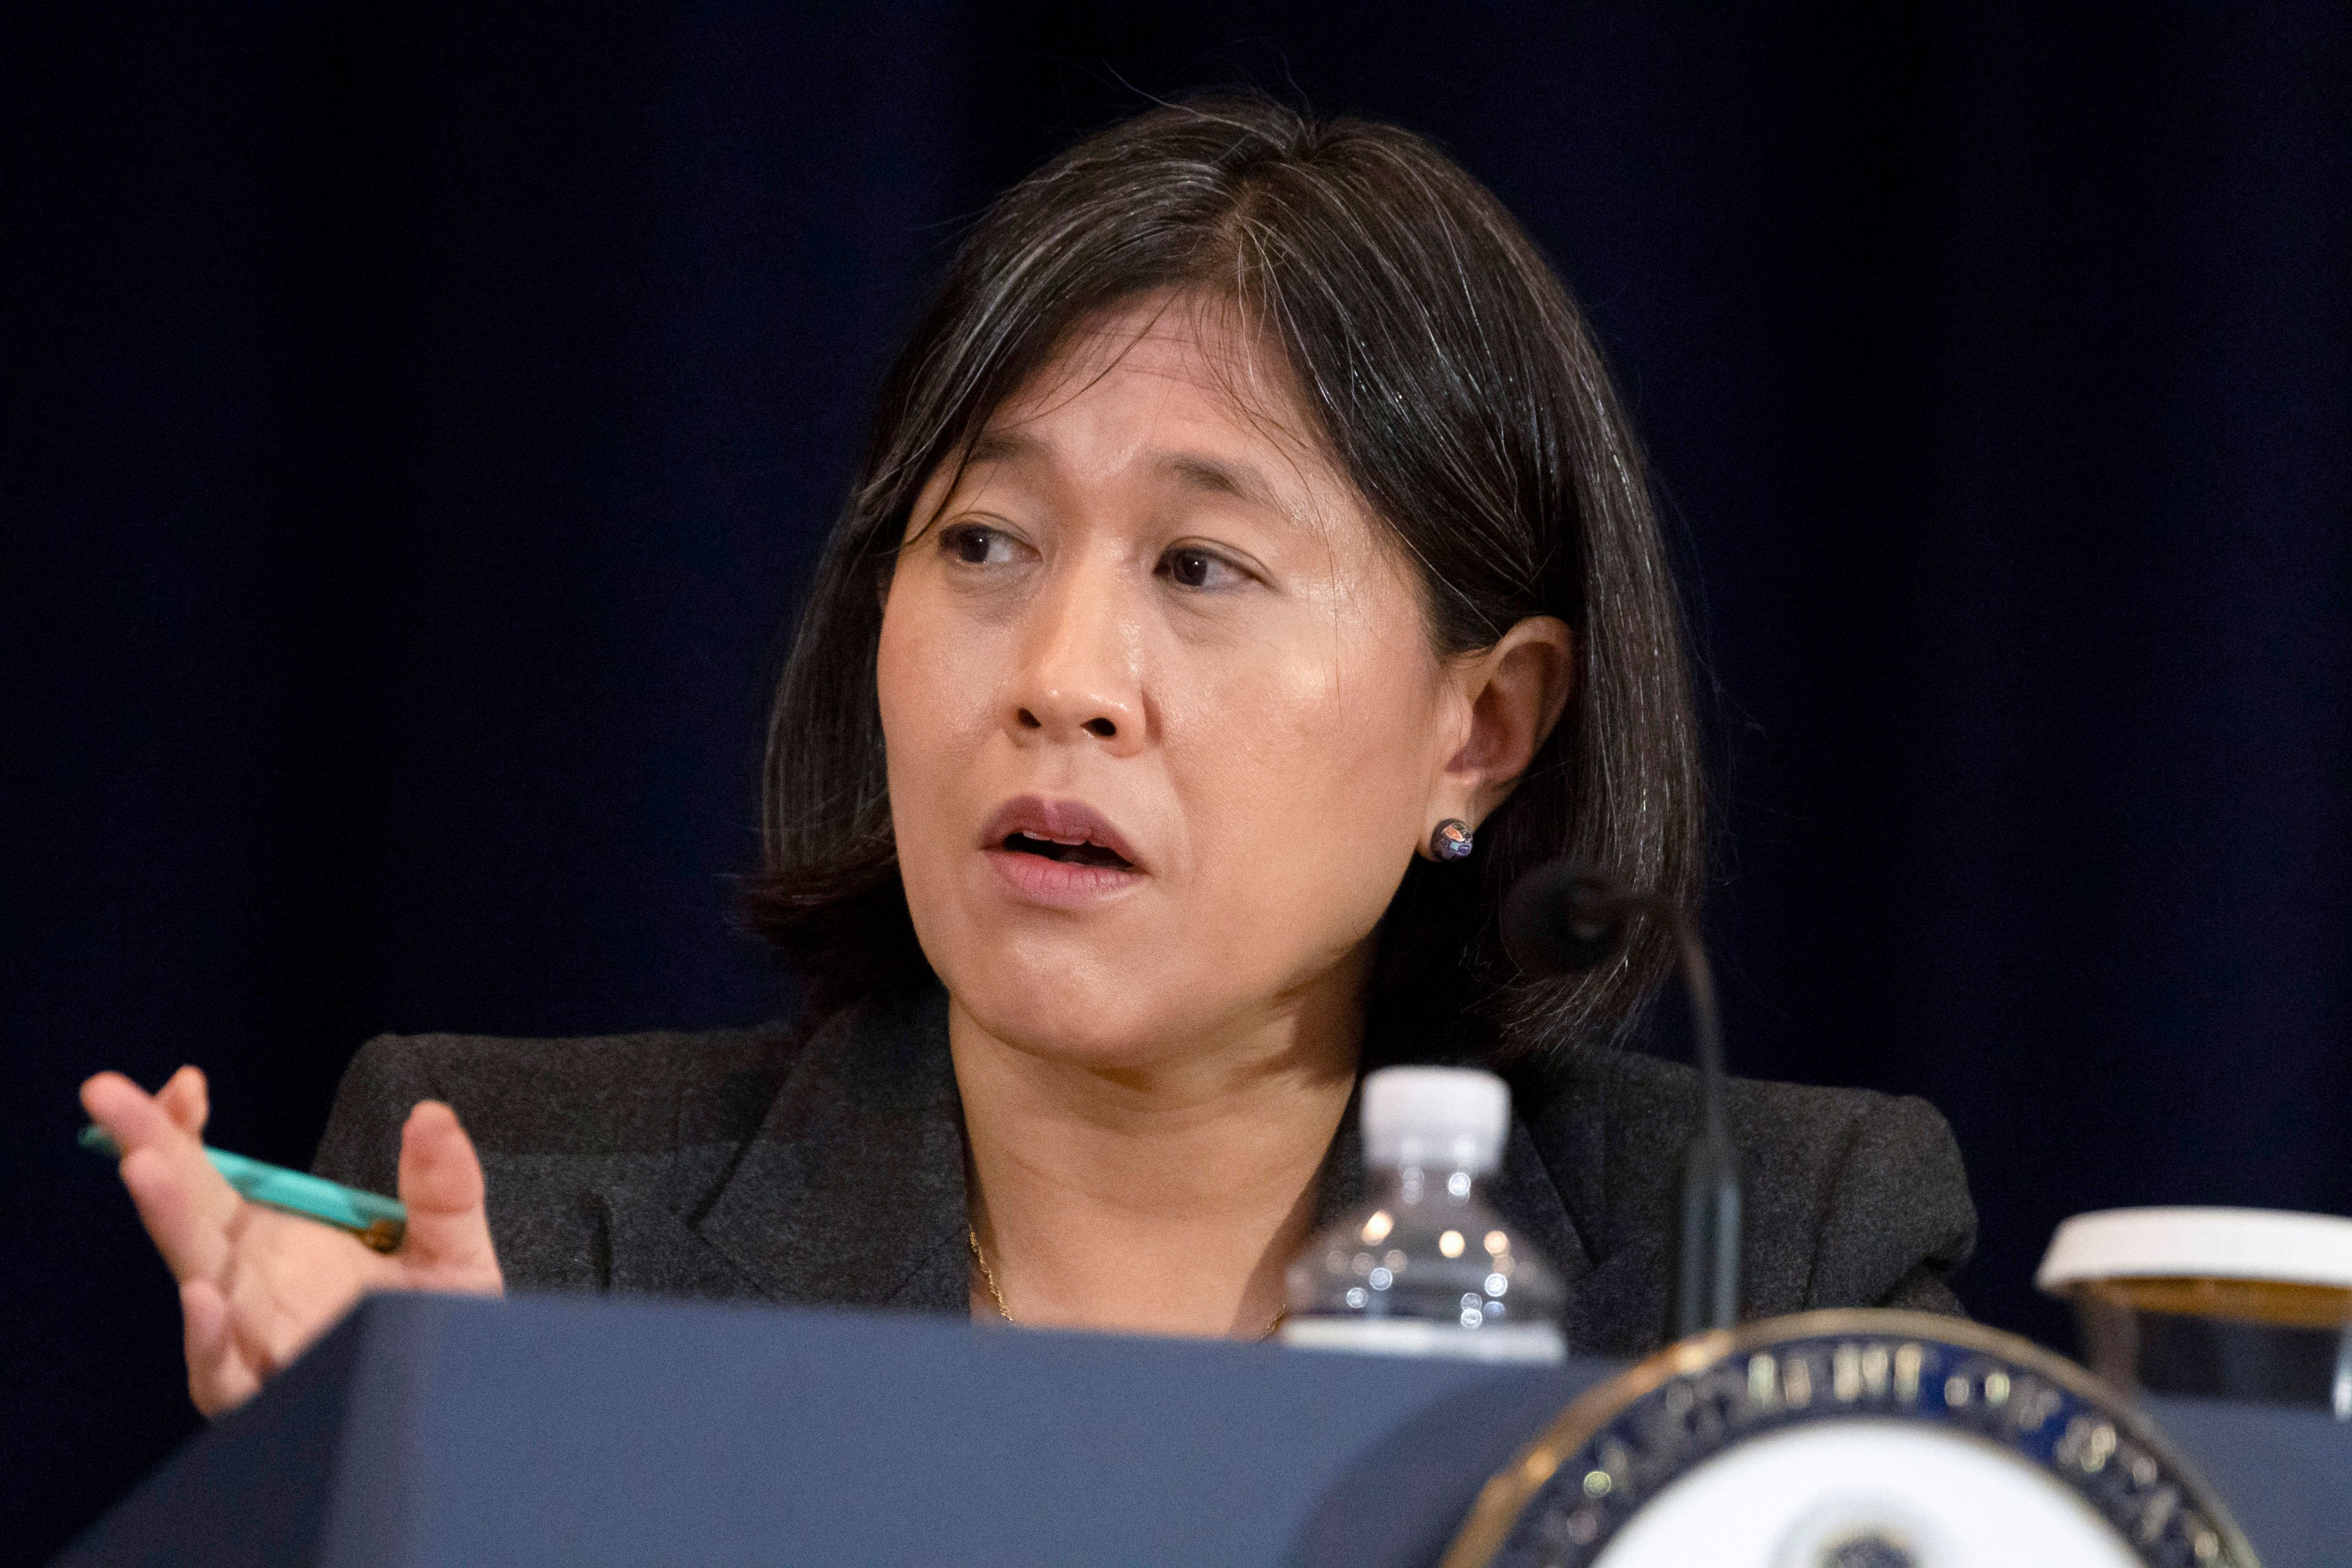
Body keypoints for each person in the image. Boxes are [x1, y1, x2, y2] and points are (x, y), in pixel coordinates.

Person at [81, 96, 1974, 1417]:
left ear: (1478, 730)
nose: (1062, 678)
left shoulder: (1769, 1270)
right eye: (983, 543)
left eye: (1202, 567)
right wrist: (446, 1484)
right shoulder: (523, 1228)